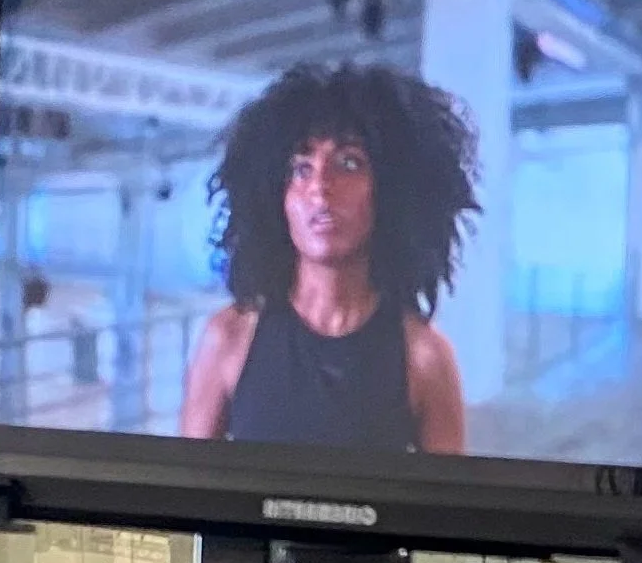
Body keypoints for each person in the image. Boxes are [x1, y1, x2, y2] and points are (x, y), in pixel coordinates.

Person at [181, 58, 478, 452]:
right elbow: (192, 495)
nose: (320, 188)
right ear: (275, 195)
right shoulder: (229, 338)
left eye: (348, 163)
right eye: (301, 168)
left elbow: (444, 510)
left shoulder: (425, 358)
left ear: (392, 191)